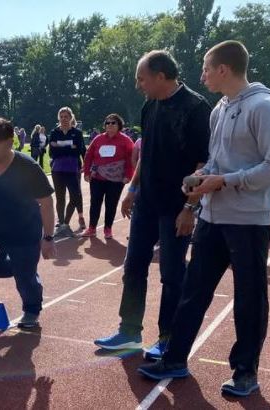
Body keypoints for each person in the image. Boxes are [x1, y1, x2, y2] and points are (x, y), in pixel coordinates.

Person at [138, 40, 270, 398]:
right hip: (212, 215)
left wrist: (224, 181)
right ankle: (175, 358)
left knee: (249, 298)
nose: (202, 74)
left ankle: (245, 373)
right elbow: (217, 160)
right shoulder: (220, 109)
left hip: (248, 221)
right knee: (193, 291)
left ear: (224, 69)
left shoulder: (264, 107)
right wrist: (202, 177)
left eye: (207, 68)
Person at [94, 50, 211, 361]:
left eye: (141, 78)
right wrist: (132, 189)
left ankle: (168, 337)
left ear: (161, 76)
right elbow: (146, 154)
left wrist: (191, 208)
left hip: (177, 206)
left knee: (172, 274)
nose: (138, 84)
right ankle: (129, 331)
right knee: (133, 268)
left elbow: (203, 163)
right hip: (146, 202)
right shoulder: (150, 106)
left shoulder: (196, 108)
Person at [0, 117, 56, 328]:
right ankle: (26, 270)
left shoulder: (28, 167)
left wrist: (48, 237)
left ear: (9, 141)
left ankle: (31, 310)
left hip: (24, 230)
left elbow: (47, 203)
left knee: (25, 280)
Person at [81, 114, 135, 239]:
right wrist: (87, 172)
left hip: (116, 180)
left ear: (119, 125)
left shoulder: (126, 140)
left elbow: (130, 159)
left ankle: (108, 229)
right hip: (97, 178)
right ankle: (92, 228)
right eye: (107, 123)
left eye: (113, 123)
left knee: (111, 204)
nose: (110, 125)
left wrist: (128, 175)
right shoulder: (98, 139)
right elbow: (89, 155)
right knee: (95, 203)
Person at [48, 107, 87, 236]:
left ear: (71, 118)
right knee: (60, 197)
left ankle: (65, 221)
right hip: (57, 169)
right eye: (62, 116)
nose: (64, 119)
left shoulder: (77, 133)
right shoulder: (54, 132)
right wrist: (70, 146)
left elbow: (79, 150)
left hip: (73, 169)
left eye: (66, 116)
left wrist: (59, 145)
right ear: (59, 118)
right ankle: (61, 222)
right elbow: (52, 153)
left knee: (75, 196)